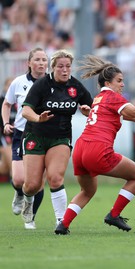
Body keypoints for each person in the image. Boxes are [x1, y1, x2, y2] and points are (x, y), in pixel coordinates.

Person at [54, 55, 135, 235]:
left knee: (87, 191)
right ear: (108, 83)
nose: (122, 85)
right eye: (119, 81)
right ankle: (114, 214)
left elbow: (134, 116)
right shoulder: (112, 97)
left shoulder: (99, 98)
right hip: (98, 149)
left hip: (80, 149)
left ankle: (63, 224)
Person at [20, 49, 93, 228]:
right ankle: (27, 203)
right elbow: (26, 110)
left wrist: (87, 112)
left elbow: (94, 109)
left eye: (68, 66)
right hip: (35, 135)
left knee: (55, 178)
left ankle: (61, 221)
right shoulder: (42, 85)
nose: (65, 70)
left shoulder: (76, 87)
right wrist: (38, 118)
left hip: (60, 137)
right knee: (32, 185)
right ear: (53, 67)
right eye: (60, 66)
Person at [2, 48, 49, 229]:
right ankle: (19, 194)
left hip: (45, 135)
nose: (41, 63)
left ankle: (30, 217)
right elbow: (7, 104)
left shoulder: (53, 83)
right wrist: (6, 123)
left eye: (44, 60)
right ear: (29, 63)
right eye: (37, 59)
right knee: (19, 180)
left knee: (37, 182)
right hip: (21, 133)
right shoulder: (18, 82)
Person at [0, 77, 14, 179]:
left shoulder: (20, 101)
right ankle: (19, 193)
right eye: (8, 85)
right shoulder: (2, 102)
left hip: (17, 137)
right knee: (14, 167)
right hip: (4, 137)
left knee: (4, 168)